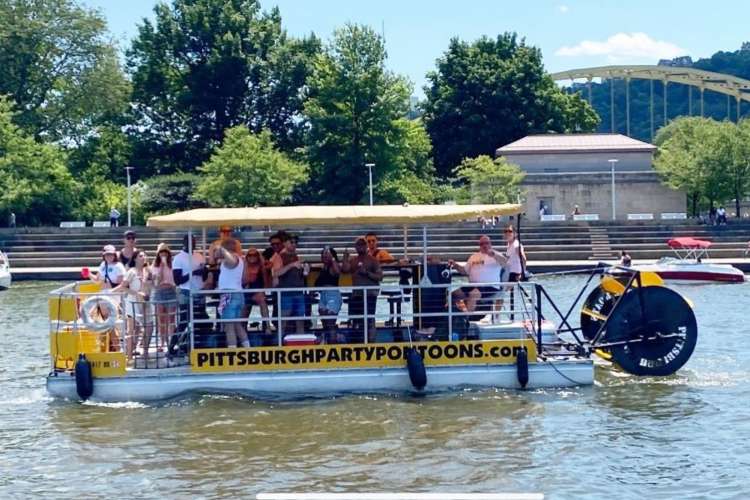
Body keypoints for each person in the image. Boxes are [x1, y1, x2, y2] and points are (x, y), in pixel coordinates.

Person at [448, 235, 507, 313]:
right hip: (473, 285)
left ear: (490, 244)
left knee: (473, 294)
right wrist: (455, 265)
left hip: (490, 286)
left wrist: (494, 255)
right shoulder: (474, 256)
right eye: (482, 244)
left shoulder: (496, 254)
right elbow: (465, 271)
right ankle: (452, 317)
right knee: (454, 294)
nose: (484, 245)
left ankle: (467, 318)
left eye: (486, 243)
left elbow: (506, 263)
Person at [111, 250, 151, 361]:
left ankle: (145, 352)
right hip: (132, 301)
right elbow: (123, 286)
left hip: (145, 302)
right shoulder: (131, 272)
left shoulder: (147, 271)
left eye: (144, 255)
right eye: (141, 256)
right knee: (132, 329)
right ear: (135, 258)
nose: (144, 257)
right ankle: (128, 356)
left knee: (149, 327)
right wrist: (136, 293)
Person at [342, 237, 382, 342]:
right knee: (357, 319)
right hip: (357, 294)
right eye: (358, 245)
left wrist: (367, 273)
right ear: (355, 247)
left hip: (370, 293)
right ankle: (359, 340)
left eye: (362, 245)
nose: (360, 247)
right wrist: (345, 258)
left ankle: (371, 341)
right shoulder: (353, 260)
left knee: (370, 318)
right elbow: (345, 270)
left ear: (366, 246)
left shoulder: (372, 260)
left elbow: (380, 276)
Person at [214, 238, 249, 348]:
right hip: (238, 293)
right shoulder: (241, 260)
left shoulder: (232, 259)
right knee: (237, 325)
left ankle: (232, 354)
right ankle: (248, 349)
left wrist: (222, 250)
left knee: (229, 327)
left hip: (229, 295)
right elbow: (244, 278)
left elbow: (232, 261)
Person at [272, 233, 306, 335]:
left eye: (296, 242)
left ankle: (301, 344)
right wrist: (291, 265)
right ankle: (279, 344)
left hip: (298, 292)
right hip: (286, 294)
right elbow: (276, 273)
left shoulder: (295, 256)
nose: (294, 244)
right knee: (283, 322)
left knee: (300, 322)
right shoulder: (279, 256)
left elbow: (298, 274)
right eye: (292, 242)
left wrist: (305, 270)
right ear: (285, 243)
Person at [172, 234, 206, 332]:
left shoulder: (199, 256)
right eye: (190, 241)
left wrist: (205, 271)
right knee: (184, 321)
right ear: (184, 242)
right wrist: (193, 273)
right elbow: (177, 280)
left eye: (194, 241)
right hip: (186, 292)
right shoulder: (178, 258)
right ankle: (173, 345)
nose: (192, 244)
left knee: (200, 320)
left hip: (199, 292)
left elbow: (204, 277)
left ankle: (197, 344)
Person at [151, 243, 177, 351]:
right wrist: (161, 268)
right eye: (161, 252)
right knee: (161, 319)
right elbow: (157, 282)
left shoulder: (173, 264)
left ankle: (172, 342)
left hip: (171, 291)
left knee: (171, 319)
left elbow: (175, 279)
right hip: (160, 292)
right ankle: (162, 342)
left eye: (165, 252)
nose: (163, 254)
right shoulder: (155, 266)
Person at [243, 247, 272, 336]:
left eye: (255, 255)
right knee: (245, 308)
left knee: (262, 302)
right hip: (246, 290)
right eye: (250, 255)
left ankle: (267, 327)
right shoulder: (244, 266)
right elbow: (242, 280)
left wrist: (262, 291)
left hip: (257, 290)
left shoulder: (261, 266)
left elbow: (265, 280)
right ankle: (243, 330)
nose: (252, 257)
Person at [316, 246, 343, 343]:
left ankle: (334, 343)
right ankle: (329, 342)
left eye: (326, 255)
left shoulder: (333, 266)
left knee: (330, 323)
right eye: (323, 255)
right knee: (325, 324)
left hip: (333, 295)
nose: (324, 257)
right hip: (323, 295)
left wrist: (332, 258)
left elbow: (337, 272)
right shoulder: (323, 268)